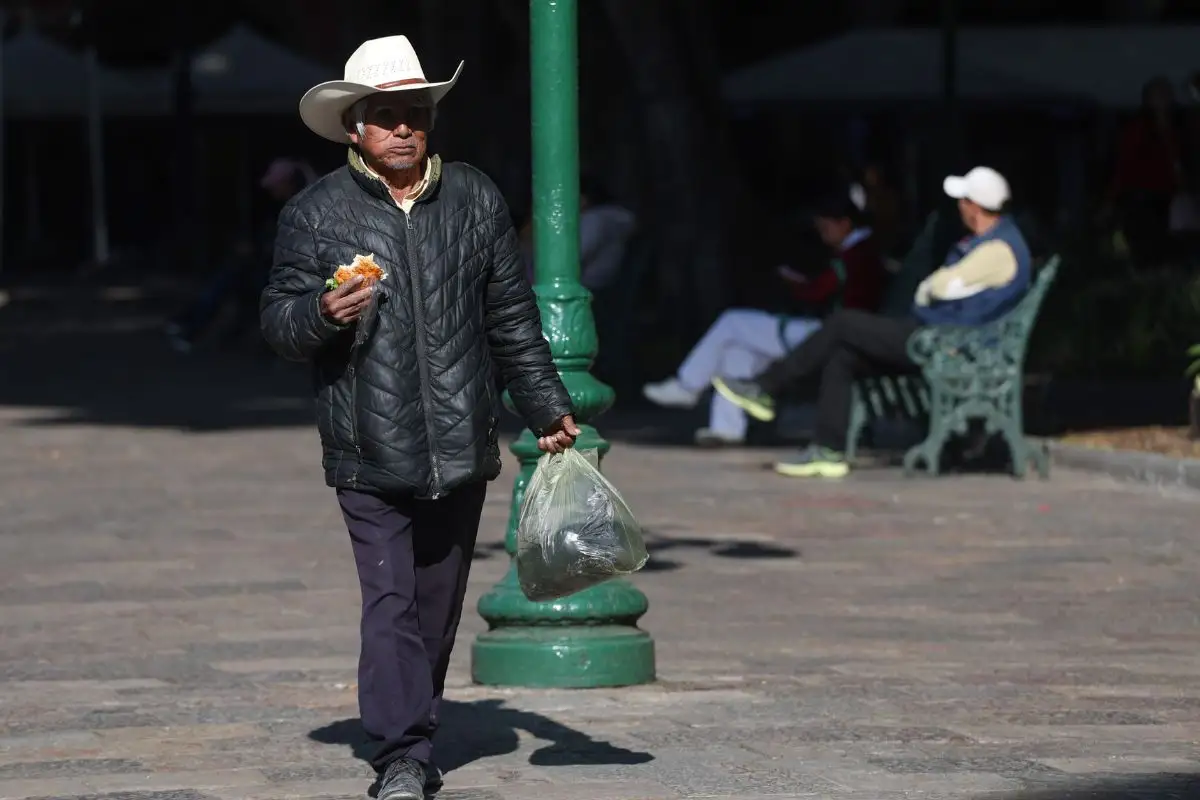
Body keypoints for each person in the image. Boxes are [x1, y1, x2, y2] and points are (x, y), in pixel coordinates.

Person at [259, 35, 579, 800]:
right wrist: (321, 312)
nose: (403, 129)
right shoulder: (314, 214)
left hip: (460, 443)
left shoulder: (473, 198)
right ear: (353, 129)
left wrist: (545, 406)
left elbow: (511, 318)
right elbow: (277, 325)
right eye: (385, 117)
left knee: (435, 609)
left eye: (416, 115)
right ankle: (401, 753)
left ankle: (414, 724)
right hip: (367, 447)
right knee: (391, 602)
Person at [713, 166, 1031, 478]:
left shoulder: (998, 250)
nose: (959, 207)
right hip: (937, 338)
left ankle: (767, 388)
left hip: (941, 343)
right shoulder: (987, 243)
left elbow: (938, 288)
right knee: (843, 356)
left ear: (974, 207)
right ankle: (828, 451)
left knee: (843, 324)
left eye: (963, 200)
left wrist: (931, 287)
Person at [642, 183, 886, 446]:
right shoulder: (861, 250)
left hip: (827, 333)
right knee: (737, 350)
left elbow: (817, 292)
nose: (822, 233)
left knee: (732, 322)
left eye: (825, 227)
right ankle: (726, 427)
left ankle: (688, 385)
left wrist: (793, 282)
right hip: (830, 328)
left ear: (844, 224)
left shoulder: (857, 254)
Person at [165, 158, 315, 353]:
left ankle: (191, 326)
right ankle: (191, 324)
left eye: (276, 186)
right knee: (234, 276)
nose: (272, 192)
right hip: (273, 264)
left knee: (237, 280)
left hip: (297, 270)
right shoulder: (284, 204)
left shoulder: (308, 204)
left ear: (288, 183)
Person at [1102, 76, 1184, 267]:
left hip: (1166, 196)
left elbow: (1179, 160)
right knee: (1146, 242)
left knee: (1163, 242)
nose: (1163, 101)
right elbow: (1124, 165)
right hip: (1142, 196)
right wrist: (1111, 198)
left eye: (1166, 95)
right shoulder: (1138, 129)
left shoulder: (1177, 127)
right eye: (1158, 96)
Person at [518, 175, 636, 289]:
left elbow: (565, 262)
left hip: (585, 291)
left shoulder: (595, 219)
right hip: (597, 286)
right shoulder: (609, 218)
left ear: (582, 199)